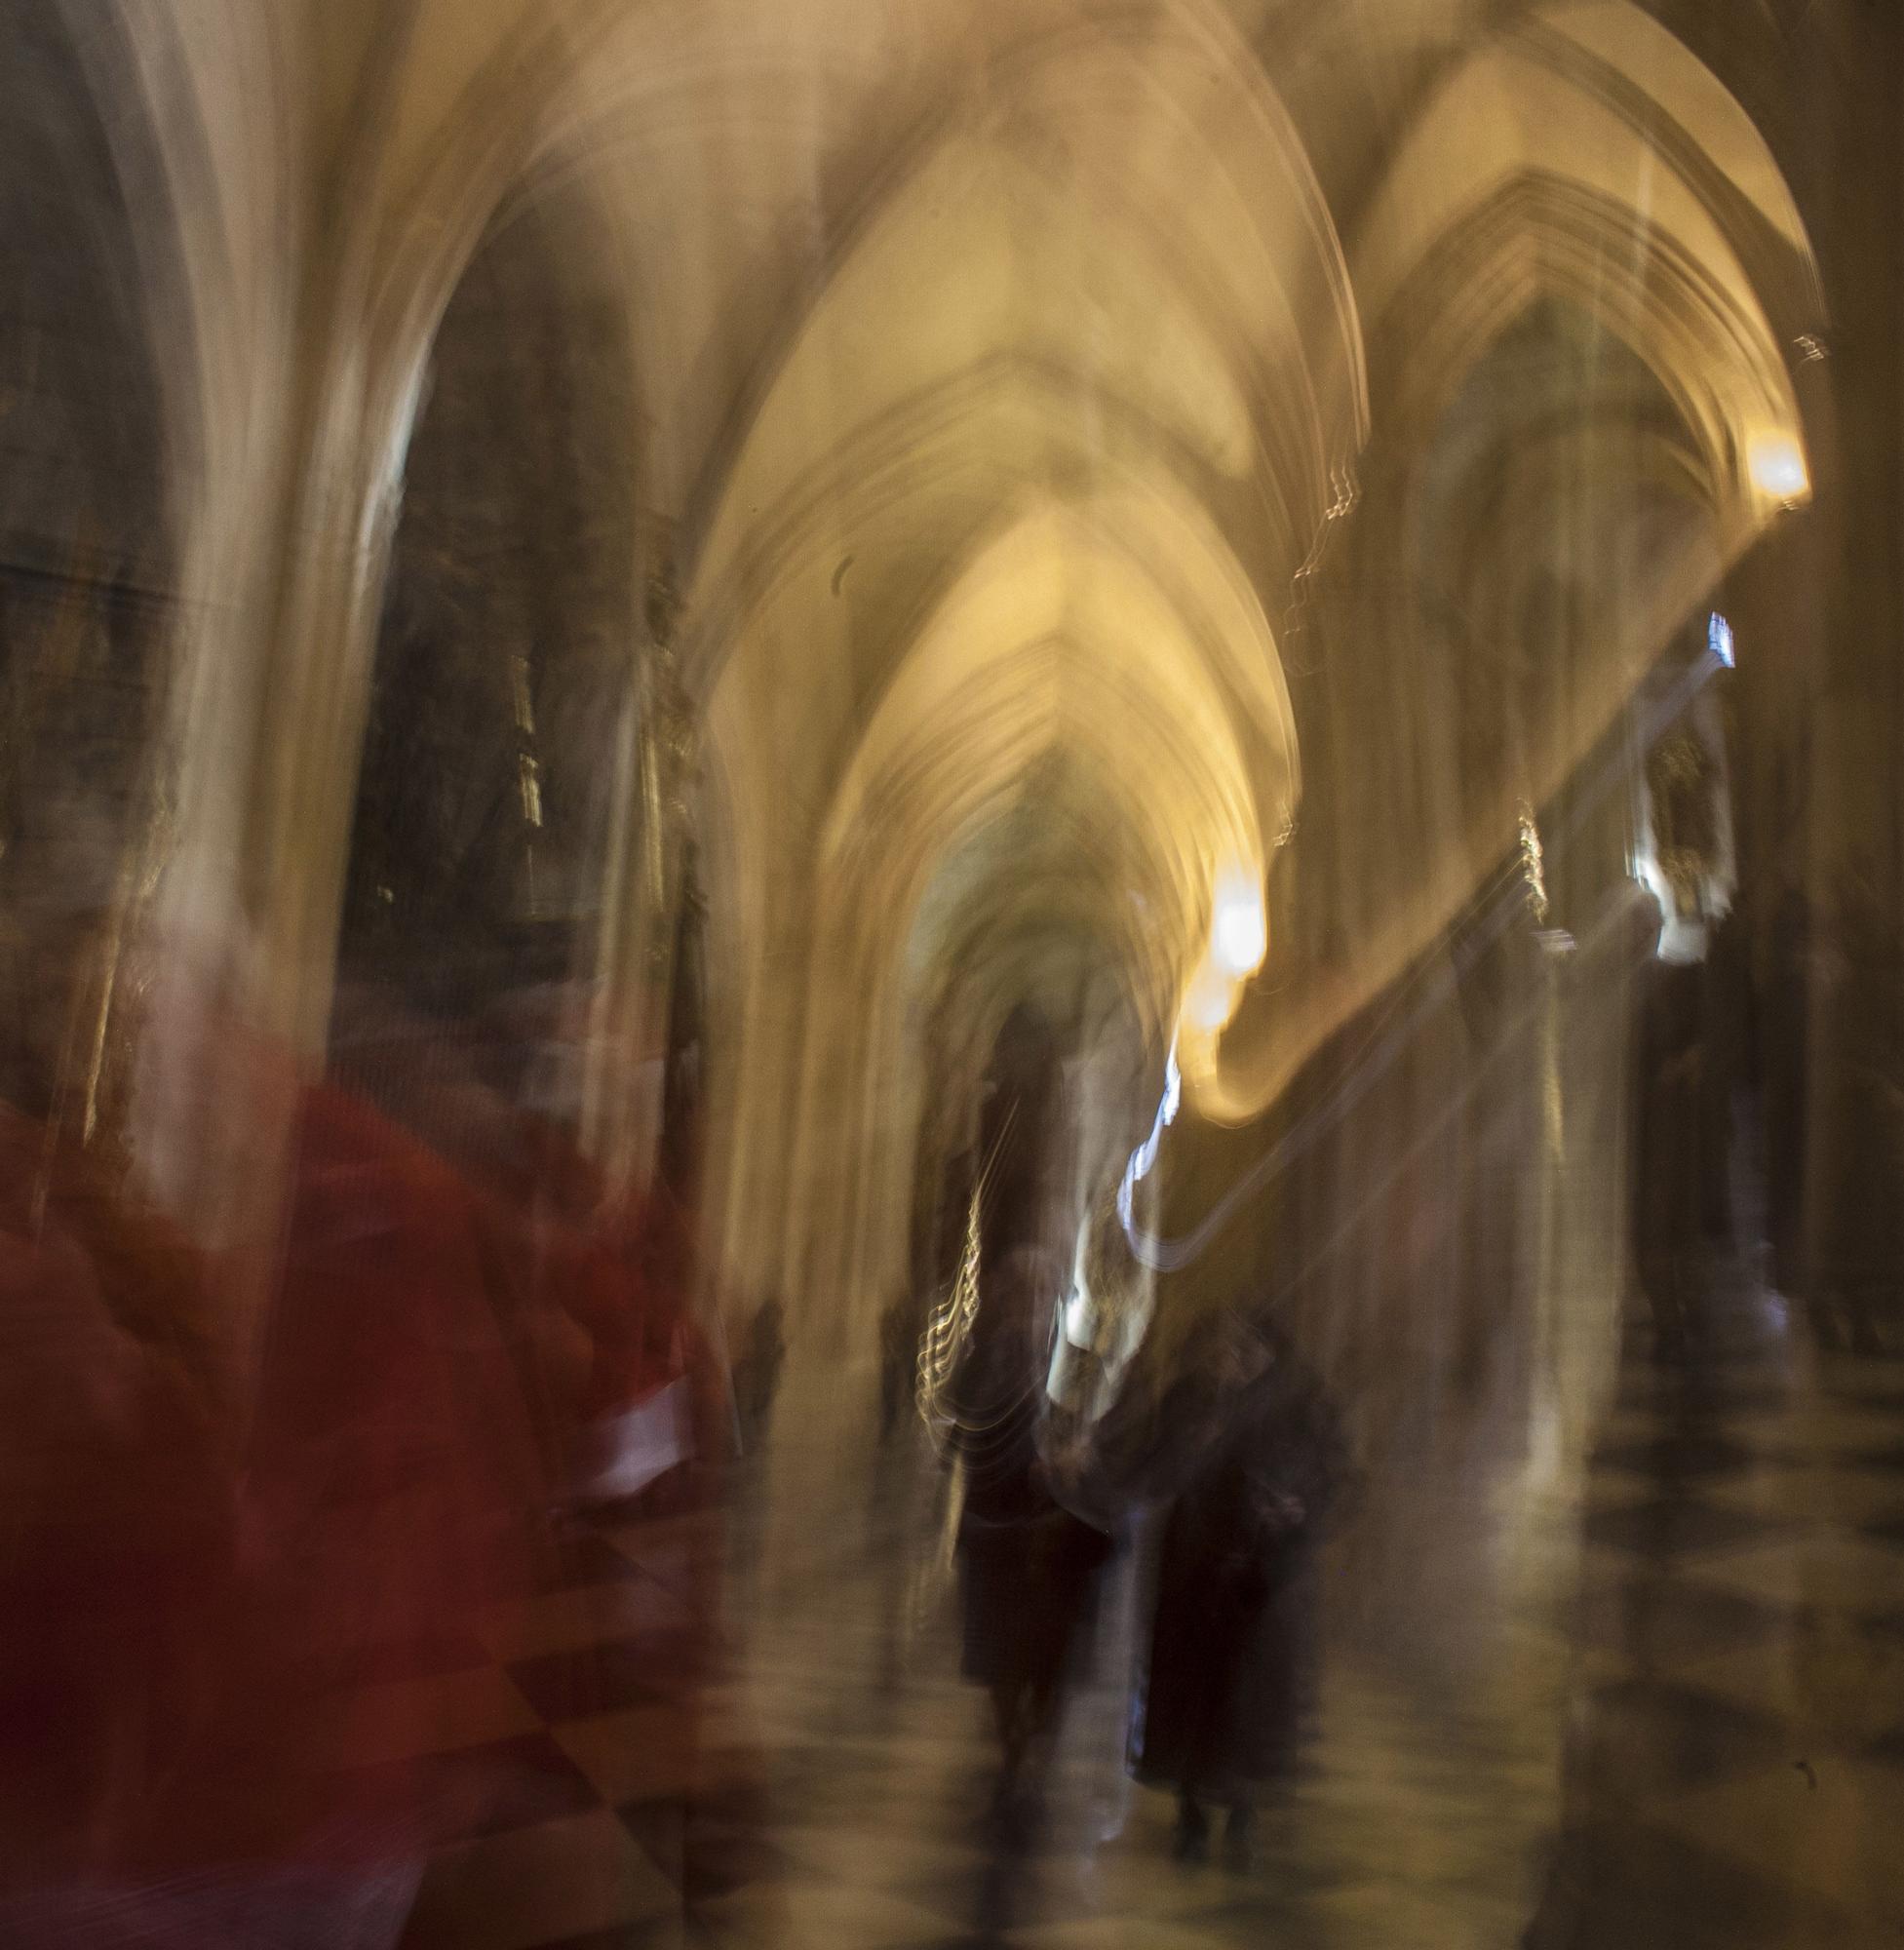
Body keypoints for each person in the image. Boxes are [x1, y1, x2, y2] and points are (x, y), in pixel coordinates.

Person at [1082, 1306, 1351, 1867]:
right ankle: (1192, 1817)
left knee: (1248, 1701)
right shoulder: (1192, 1400)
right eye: (1231, 1346)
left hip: (1264, 1581)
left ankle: (1242, 1818)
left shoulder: (1300, 1408)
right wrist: (1093, 1476)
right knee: (1191, 1698)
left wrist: (1299, 1507)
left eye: (1250, 1346)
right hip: (1193, 1573)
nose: (1237, 1357)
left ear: (1270, 1353)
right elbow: (1149, 1467)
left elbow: (1334, 1475)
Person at [945, 1007, 1110, 1828]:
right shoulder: (997, 1359)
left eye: (1046, 1293)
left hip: (1038, 1540)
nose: (1039, 1303)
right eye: (1030, 1292)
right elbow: (965, 1423)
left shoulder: (1064, 1362)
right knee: (1008, 1657)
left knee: (1031, 1655)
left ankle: (1026, 1746)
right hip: (1003, 1533)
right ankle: (1016, 1748)